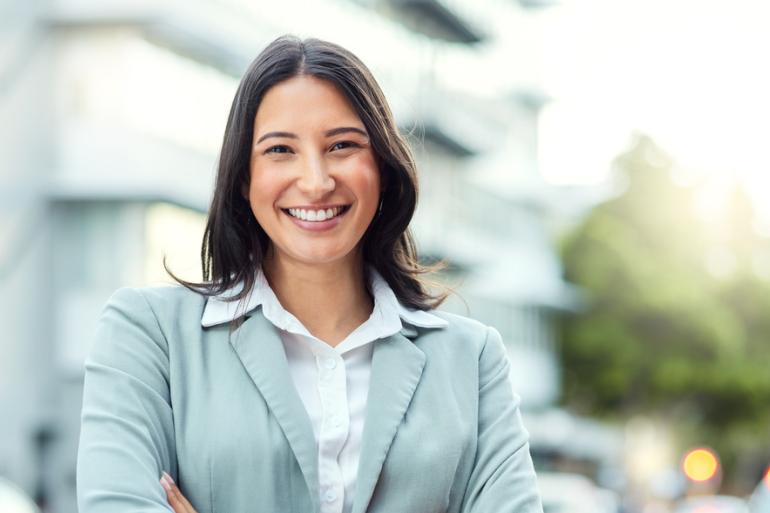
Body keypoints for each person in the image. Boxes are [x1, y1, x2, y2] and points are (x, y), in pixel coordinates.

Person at [76, 35, 543, 513]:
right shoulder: (150, 336)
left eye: (341, 145)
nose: (316, 182)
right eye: (280, 150)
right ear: (244, 177)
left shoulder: (472, 360)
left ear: (380, 166)